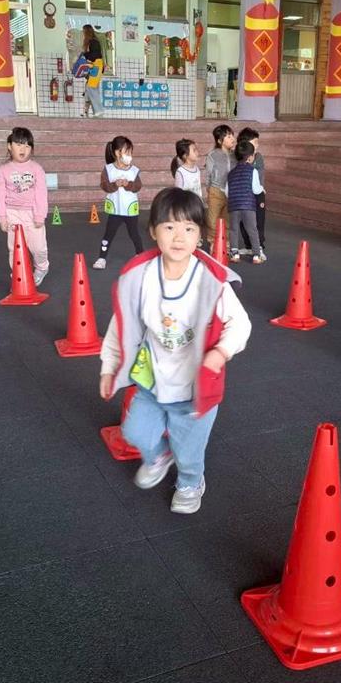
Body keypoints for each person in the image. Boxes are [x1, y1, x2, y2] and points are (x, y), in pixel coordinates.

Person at [99, 187, 252, 514]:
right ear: (153, 231)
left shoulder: (210, 282)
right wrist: (109, 366)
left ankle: (190, 482)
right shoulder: (140, 278)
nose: (179, 237)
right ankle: (159, 455)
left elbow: (240, 324)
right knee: (135, 432)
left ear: (200, 235)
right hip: (152, 380)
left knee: (189, 449)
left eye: (189, 228)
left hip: (195, 389)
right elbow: (120, 326)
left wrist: (221, 352)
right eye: (169, 227)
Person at [0, 127, 49, 286]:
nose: (23, 149)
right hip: (12, 213)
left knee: (38, 248)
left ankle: (42, 268)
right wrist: (2, 217)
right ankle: (19, 274)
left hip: (32, 213)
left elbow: (41, 193)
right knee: (15, 249)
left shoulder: (37, 169)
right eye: (18, 144)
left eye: (27, 145)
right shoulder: (3, 170)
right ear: (9, 146)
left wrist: (40, 215)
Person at [93, 136, 143, 270]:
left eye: (131, 152)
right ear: (117, 153)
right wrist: (115, 184)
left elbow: (138, 186)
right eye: (127, 152)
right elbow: (104, 186)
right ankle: (102, 258)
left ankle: (140, 255)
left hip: (130, 210)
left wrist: (128, 184)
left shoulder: (134, 170)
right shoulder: (108, 169)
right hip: (115, 210)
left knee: (134, 234)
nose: (130, 155)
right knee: (108, 234)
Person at [226, 139, 265, 264]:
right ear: (249, 157)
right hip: (248, 206)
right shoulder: (252, 171)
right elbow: (256, 189)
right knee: (252, 230)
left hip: (234, 206)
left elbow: (227, 192)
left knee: (233, 230)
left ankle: (234, 254)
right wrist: (262, 189)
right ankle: (256, 255)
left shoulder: (231, 173)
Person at [205, 124, 236, 248]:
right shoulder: (213, 155)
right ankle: (212, 241)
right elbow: (208, 174)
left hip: (231, 192)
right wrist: (209, 188)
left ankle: (225, 241)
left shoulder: (235, 155)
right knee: (213, 219)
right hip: (216, 190)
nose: (232, 138)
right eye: (228, 136)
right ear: (219, 141)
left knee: (227, 219)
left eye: (232, 135)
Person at [236, 127, 266, 255]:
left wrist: (261, 189)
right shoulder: (237, 157)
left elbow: (260, 175)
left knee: (258, 222)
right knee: (243, 222)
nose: (257, 145)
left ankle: (259, 248)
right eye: (255, 142)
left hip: (257, 195)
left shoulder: (258, 157)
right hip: (243, 195)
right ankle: (249, 247)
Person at [82, 25, 105, 118]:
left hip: (96, 66)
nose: (83, 34)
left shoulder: (93, 42)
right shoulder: (94, 41)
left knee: (91, 87)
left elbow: (94, 55)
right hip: (97, 66)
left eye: (84, 32)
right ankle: (95, 111)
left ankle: (99, 110)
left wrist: (85, 55)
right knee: (91, 88)